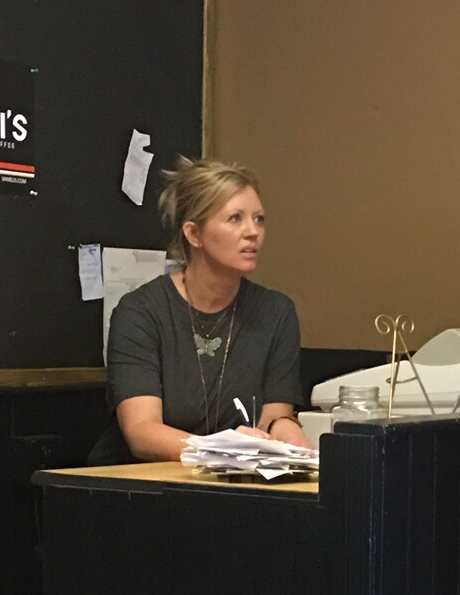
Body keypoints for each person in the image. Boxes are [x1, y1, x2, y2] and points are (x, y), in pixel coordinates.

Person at [89, 158, 305, 462]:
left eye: (259, 219)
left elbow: (271, 419)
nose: (253, 232)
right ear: (194, 234)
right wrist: (222, 449)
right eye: (235, 219)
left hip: (230, 478)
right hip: (140, 479)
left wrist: (285, 432)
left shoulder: (276, 312)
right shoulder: (141, 312)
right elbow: (142, 433)